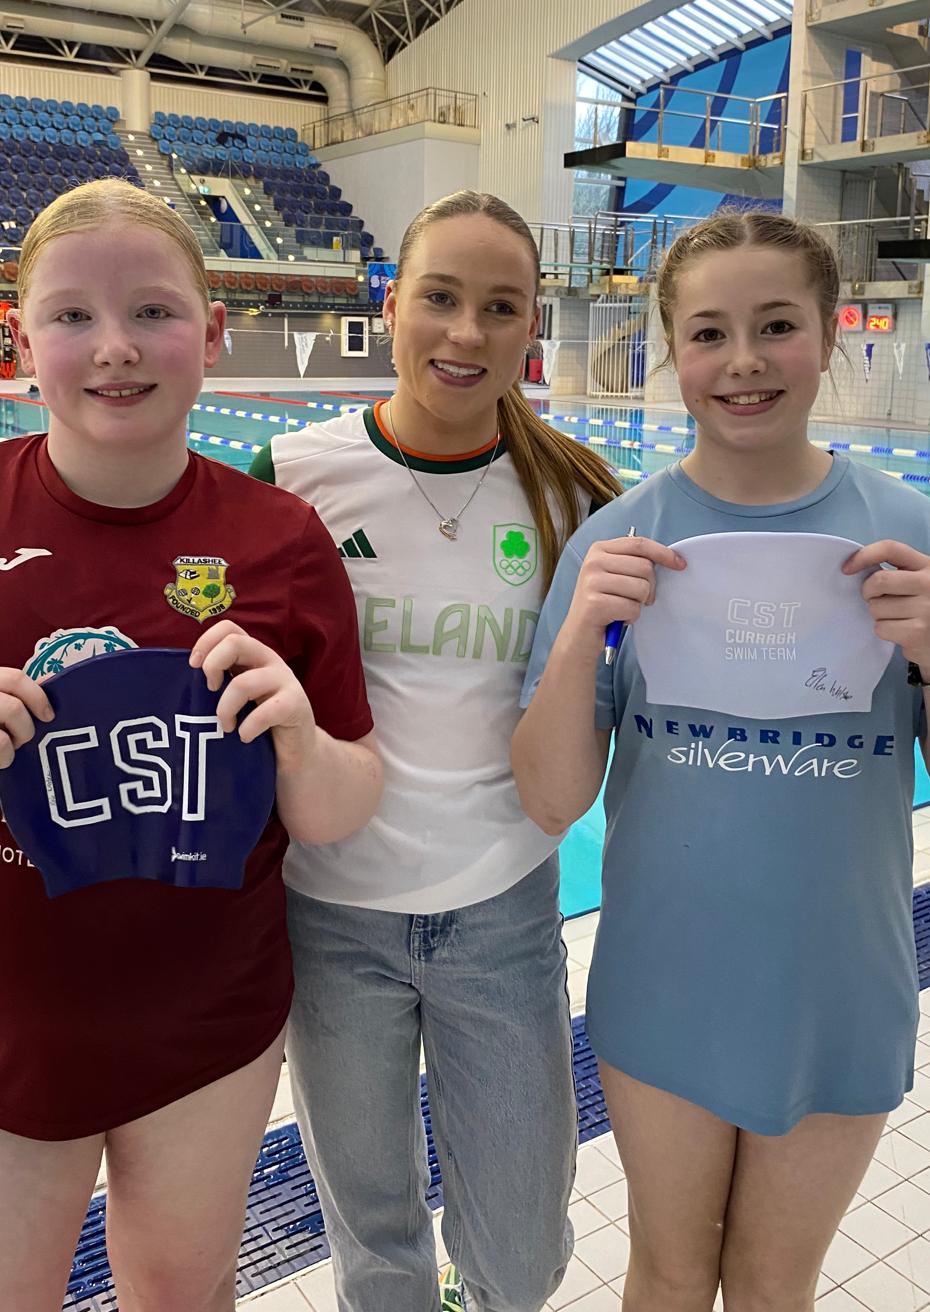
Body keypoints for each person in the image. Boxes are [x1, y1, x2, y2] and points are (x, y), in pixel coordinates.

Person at [0, 177, 381, 1312]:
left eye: (152, 311)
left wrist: (294, 727)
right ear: (21, 333)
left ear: (214, 331)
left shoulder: (280, 540)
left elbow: (342, 803)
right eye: (73, 316)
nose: (115, 350)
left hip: (212, 1036)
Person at [512, 210, 930, 1312]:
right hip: (668, 979)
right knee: (669, 1270)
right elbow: (551, 799)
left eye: (776, 325)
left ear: (828, 337)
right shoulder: (621, 540)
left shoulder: (911, 531)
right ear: (672, 351)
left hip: (840, 986)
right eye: (708, 334)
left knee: (773, 1281)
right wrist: (575, 640)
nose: (742, 361)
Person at [248, 190, 621, 1312]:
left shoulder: (575, 491)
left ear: (531, 326)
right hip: (330, 915)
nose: (466, 333)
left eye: (499, 307)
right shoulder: (291, 474)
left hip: (501, 910)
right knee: (373, 1235)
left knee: (517, 1244)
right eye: (442, 298)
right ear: (391, 302)